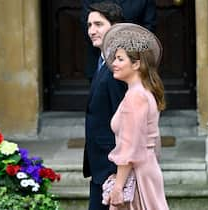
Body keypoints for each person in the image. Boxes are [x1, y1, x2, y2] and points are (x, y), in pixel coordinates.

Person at [101, 23, 169, 209]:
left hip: (139, 172)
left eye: (120, 59)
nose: (113, 64)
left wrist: (118, 186)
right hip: (146, 168)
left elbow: (130, 146)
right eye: (115, 58)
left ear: (136, 64)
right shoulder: (142, 92)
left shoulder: (136, 96)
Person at [83, 2, 127, 210]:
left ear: (115, 26)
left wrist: (118, 175)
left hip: (112, 168)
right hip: (99, 166)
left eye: (98, 24)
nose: (92, 30)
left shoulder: (119, 68)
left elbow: (126, 125)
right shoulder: (102, 61)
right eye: (89, 25)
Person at [81, 0, 157, 82]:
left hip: (133, 61)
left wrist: (126, 50)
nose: (92, 31)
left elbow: (148, 28)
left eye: (98, 24)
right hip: (97, 58)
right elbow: (86, 23)